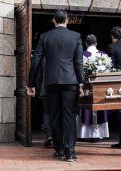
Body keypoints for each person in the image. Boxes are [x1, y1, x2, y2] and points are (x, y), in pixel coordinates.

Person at [27, 9, 84, 162]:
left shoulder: (45, 36)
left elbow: (36, 61)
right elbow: (78, 63)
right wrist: (81, 82)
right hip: (70, 81)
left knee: (55, 116)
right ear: (67, 20)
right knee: (69, 116)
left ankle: (59, 150)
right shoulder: (76, 36)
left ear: (54, 20)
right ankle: (70, 153)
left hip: (51, 81)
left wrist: (30, 83)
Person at [76, 34, 109, 141]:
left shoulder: (83, 55)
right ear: (96, 43)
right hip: (100, 87)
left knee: (87, 108)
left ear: (86, 43)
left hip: (87, 86)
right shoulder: (103, 55)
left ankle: (86, 135)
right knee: (99, 108)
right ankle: (98, 134)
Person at [35, 57, 52, 147]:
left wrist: (38, 90)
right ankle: (60, 137)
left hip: (45, 88)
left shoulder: (44, 57)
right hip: (59, 88)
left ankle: (49, 135)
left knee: (47, 112)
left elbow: (39, 75)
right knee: (58, 112)